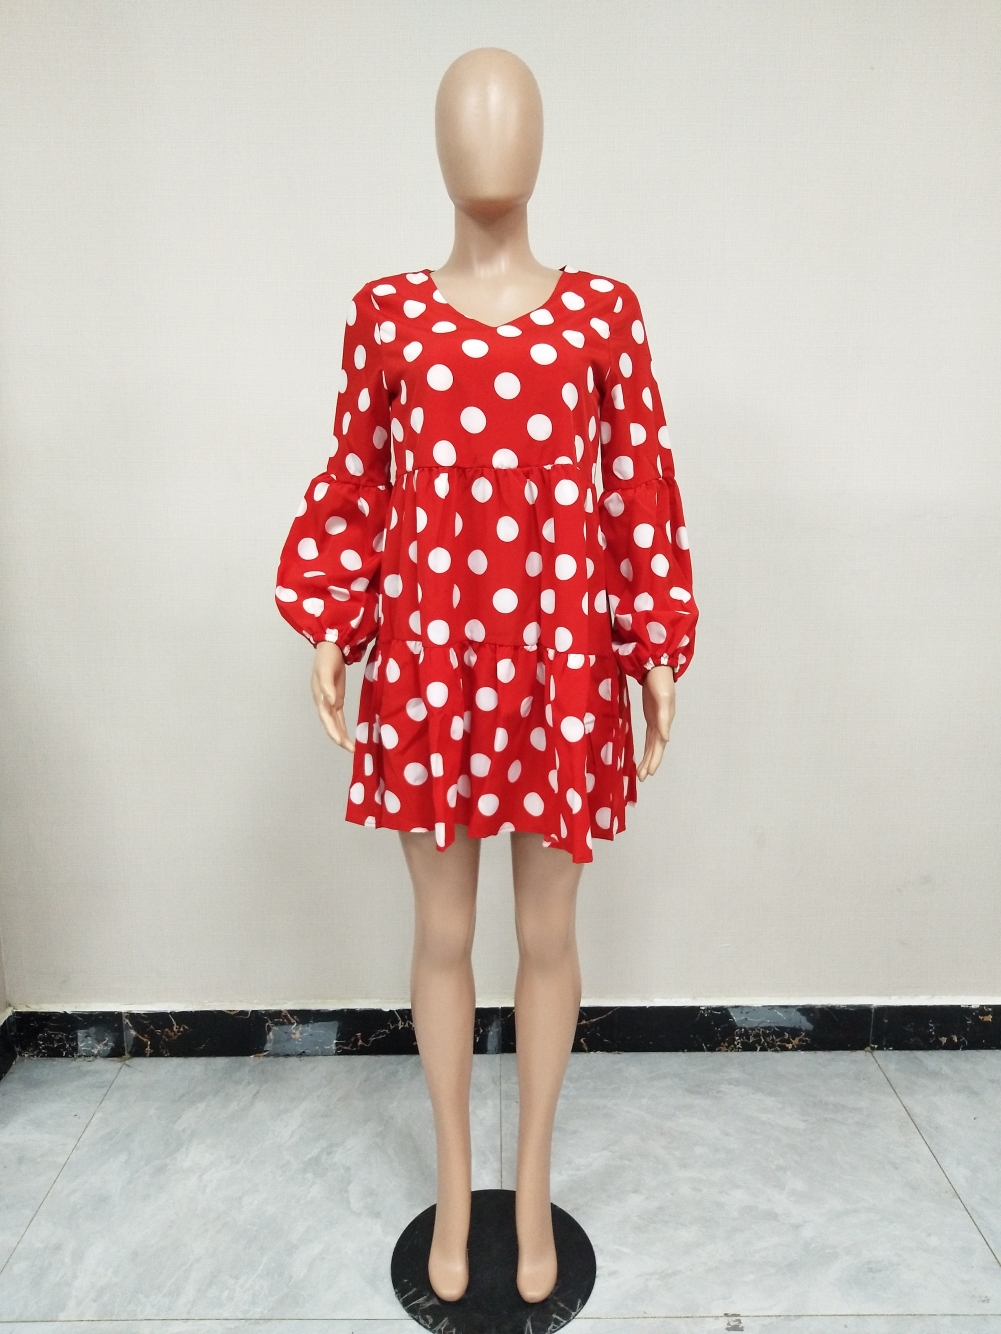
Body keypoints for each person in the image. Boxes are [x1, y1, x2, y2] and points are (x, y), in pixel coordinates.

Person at [275, 47, 697, 1305]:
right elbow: (357, 480)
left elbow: (637, 486)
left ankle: (532, 1181)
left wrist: (653, 644)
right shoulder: (385, 314)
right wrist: (331, 618)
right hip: (429, 663)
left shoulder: (602, 312)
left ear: (542, 141)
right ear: (436, 143)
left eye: (510, 115)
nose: (489, 136)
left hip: (561, 665)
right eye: (466, 115)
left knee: (549, 935)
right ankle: (458, 1189)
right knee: (445, 934)